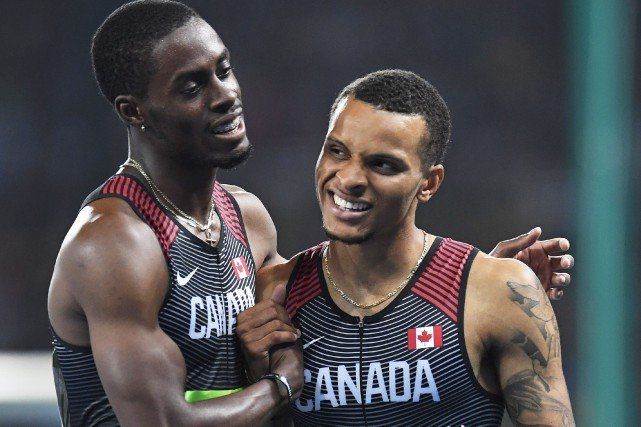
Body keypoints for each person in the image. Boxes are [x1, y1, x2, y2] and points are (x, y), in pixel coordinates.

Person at [48, 1, 573, 425]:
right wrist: (280, 385)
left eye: (223, 70)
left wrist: (476, 287)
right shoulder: (114, 243)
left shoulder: (247, 219)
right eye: (192, 87)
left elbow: (342, 294)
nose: (225, 95)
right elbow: (161, 422)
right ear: (134, 111)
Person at [239, 70, 574, 426]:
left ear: (429, 183)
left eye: (382, 164)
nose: (349, 179)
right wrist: (258, 378)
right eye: (337, 151)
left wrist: (474, 287)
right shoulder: (273, 296)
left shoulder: (497, 292)